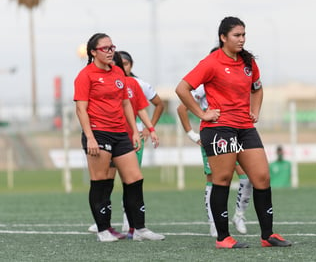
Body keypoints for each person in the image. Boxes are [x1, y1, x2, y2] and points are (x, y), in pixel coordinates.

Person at [175, 17, 292, 249]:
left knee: (261, 177)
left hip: (245, 128)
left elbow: (257, 89)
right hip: (219, 128)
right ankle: (223, 238)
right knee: (223, 179)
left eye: (244, 34)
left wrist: (254, 112)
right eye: (237, 35)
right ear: (223, 37)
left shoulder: (248, 62)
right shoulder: (211, 62)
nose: (242, 39)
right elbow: (182, 89)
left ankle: (267, 235)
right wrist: (202, 113)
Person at [74, 33, 164, 242]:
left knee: (135, 178)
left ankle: (139, 228)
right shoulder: (85, 75)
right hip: (98, 133)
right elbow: (81, 109)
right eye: (105, 48)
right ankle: (103, 230)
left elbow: (126, 104)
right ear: (93, 52)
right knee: (102, 182)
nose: (110, 51)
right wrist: (90, 138)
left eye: (112, 47)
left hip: (120, 134)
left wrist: (134, 131)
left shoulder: (117, 72)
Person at [177, 84, 252, 237]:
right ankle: (213, 223)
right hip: (214, 136)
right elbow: (181, 108)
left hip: (236, 132)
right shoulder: (205, 87)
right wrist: (192, 135)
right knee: (214, 179)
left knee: (248, 176)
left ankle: (239, 215)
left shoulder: (235, 80)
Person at [118, 50, 165, 233]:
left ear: (131, 65)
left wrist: (149, 127)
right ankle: (102, 219)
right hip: (112, 134)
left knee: (130, 179)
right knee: (105, 178)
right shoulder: (109, 82)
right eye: (119, 63)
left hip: (133, 135)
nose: (122, 67)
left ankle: (128, 221)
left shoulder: (139, 84)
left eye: (126, 64)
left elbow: (158, 104)